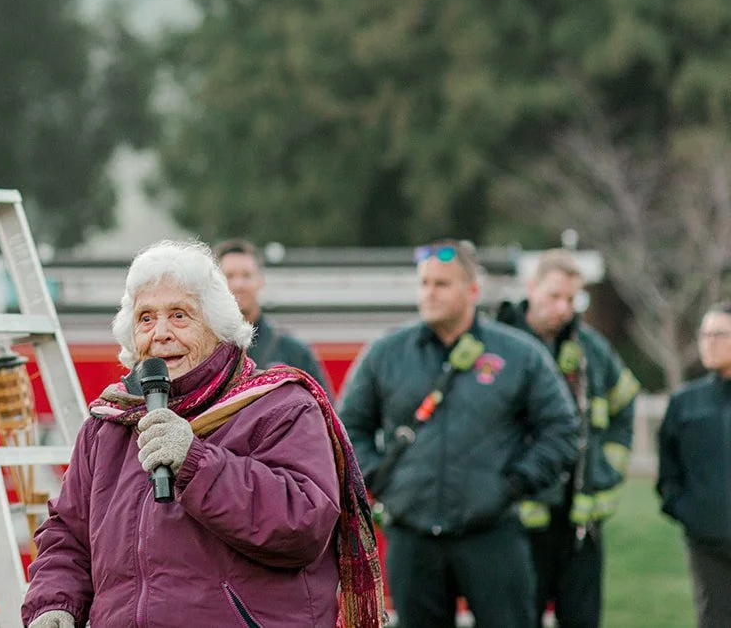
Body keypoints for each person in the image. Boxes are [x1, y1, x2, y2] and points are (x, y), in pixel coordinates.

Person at [21, 240, 385, 628]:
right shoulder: (107, 425)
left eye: (179, 316)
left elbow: (303, 523)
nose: (160, 333)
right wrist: (55, 603)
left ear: (218, 327)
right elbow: (67, 534)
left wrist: (195, 463)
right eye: (146, 318)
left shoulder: (281, 407)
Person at [338, 240, 579, 628]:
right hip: (411, 536)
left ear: (472, 291)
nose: (429, 293)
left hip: (492, 534)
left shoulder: (520, 355)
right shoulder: (386, 354)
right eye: (424, 283)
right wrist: (383, 482)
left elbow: (562, 431)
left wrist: (513, 484)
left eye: (442, 284)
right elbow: (347, 428)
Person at [496, 249, 639, 628]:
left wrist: (609, 466)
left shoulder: (590, 349)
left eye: (570, 299)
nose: (563, 308)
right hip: (516, 518)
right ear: (531, 288)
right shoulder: (500, 344)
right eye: (553, 296)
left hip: (579, 519)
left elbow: (624, 401)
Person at [657, 302, 731, 628]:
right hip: (707, 542)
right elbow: (668, 472)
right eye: (704, 334)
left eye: (719, 334)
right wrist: (688, 512)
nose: (708, 341)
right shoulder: (685, 403)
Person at [216, 238, 332, 392]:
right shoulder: (201, 351)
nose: (239, 284)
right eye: (229, 276)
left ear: (261, 281)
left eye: (246, 275)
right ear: (215, 284)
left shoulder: (293, 351)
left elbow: (325, 411)